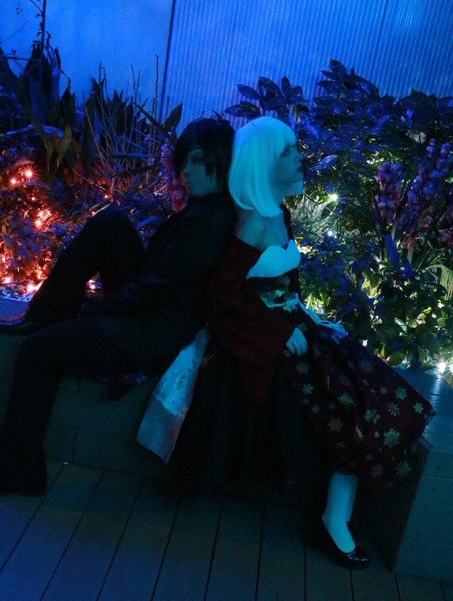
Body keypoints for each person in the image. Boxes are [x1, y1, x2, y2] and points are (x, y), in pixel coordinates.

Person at [174, 116, 435, 569]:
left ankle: (337, 515)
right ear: (262, 163)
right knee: (356, 405)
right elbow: (220, 298)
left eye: (296, 149)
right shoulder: (252, 223)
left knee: (378, 395)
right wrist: (277, 333)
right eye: (288, 151)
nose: (299, 158)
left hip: (296, 329)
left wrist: (304, 317)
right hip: (272, 344)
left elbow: (283, 283)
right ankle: (335, 520)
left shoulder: (278, 215)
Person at [0, 117, 236, 496]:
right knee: (110, 224)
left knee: (36, 352)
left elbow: (154, 291)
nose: (185, 172)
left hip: (145, 334)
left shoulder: (206, 223)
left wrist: (95, 309)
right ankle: (45, 313)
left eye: (196, 161)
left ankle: (20, 472)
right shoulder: (207, 209)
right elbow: (158, 280)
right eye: (184, 161)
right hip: (152, 313)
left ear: (219, 160)